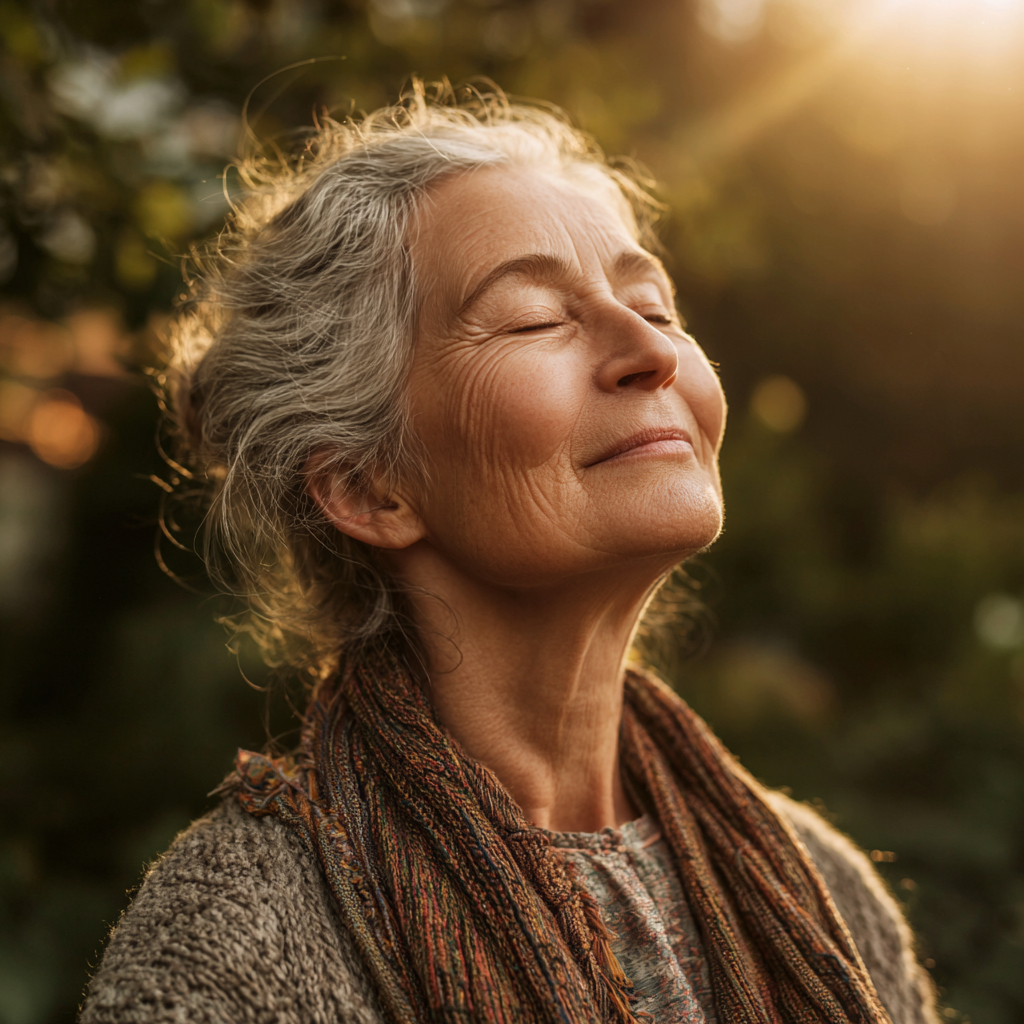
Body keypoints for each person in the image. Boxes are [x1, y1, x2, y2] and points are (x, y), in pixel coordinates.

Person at [80, 83, 937, 1024]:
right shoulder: (239, 942)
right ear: (368, 487)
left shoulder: (823, 888)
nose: (646, 349)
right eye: (535, 319)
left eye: (652, 303)